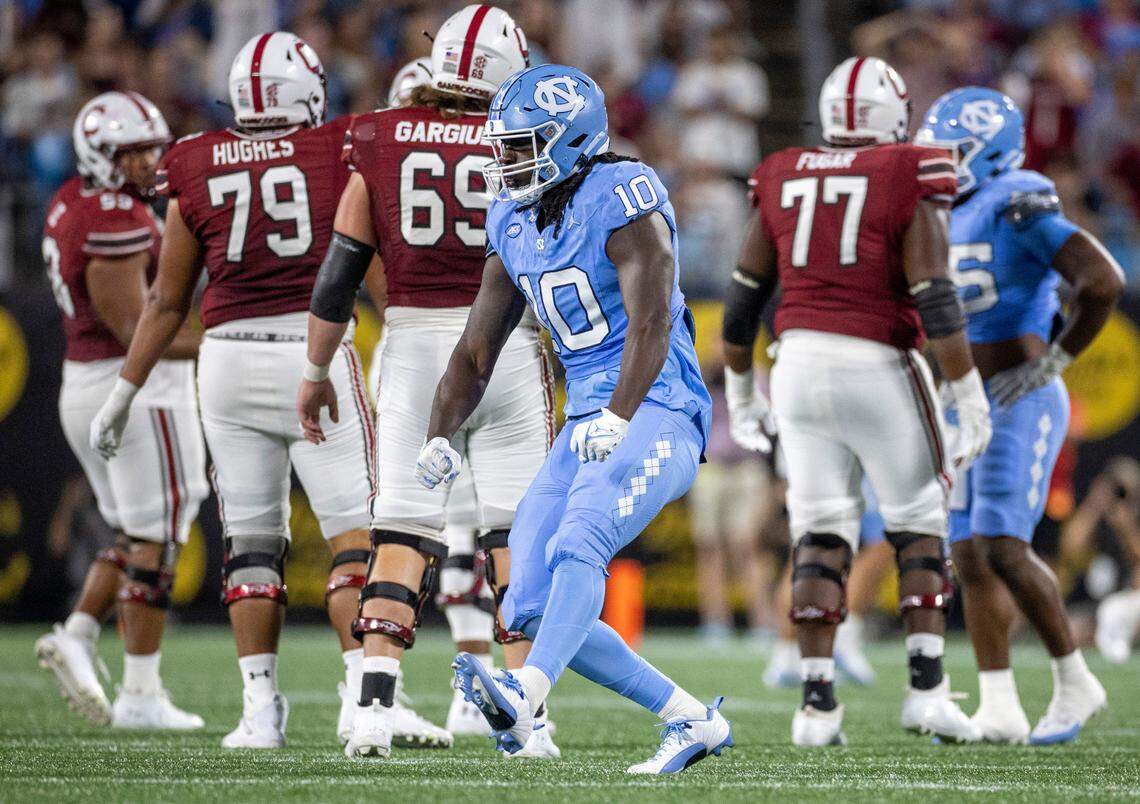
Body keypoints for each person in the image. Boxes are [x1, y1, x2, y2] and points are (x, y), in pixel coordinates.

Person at [87, 32, 441, 751]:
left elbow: (164, 304)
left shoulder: (192, 160)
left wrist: (121, 394)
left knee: (250, 545)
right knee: (357, 542)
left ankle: (258, 713)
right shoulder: (342, 145)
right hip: (312, 356)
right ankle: (362, 696)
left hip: (223, 363)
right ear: (306, 90)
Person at [413, 62, 733, 775]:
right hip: (588, 419)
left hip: (658, 407)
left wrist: (619, 416)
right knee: (523, 602)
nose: (509, 160)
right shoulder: (513, 215)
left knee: (580, 541)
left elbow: (651, 321)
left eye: (525, 145)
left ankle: (524, 695)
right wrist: (439, 432)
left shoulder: (622, 194)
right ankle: (690, 720)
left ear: (574, 138)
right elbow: (475, 349)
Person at [296, 5, 559, 760]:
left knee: (403, 529)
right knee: (517, 537)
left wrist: (316, 372)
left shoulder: (376, 136)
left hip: (412, 349)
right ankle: (527, 719)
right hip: (507, 347)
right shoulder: (531, 142)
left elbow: (340, 271)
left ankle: (374, 705)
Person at [723, 56, 992, 747]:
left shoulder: (782, 170)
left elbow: (745, 293)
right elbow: (934, 291)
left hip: (797, 366)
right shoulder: (911, 167)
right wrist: (966, 391)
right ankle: (927, 694)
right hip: (877, 362)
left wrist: (741, 388)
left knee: (819, 532)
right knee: (918, 524)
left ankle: (816, 707)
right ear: (892, 115)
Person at [919, 87, 1124, 744]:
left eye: (952, 152)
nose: (939, 162)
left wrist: (1057, 360)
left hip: (1018, 393)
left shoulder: (1017, 198)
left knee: (1004, 547)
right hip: (967, 401)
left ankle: (1073, 682)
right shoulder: (943, 211)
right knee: (969, 555)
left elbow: (1101, 280)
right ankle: (999, 704)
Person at [35, 92, 208, 730]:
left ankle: (80, 634)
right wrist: (236, 333)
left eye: (149, 147)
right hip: (129, 387)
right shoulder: (111, 218)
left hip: (91, 382)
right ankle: (139, 692)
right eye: (128, 151)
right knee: (158, 535)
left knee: (141, 533)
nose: (144, 161)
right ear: (97, 155)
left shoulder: (72, 200)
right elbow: (143, 332)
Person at [1063, 457, 1140, 664]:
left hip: (1131, 602)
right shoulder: (1098, 517)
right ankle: (1107, 637)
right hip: (1099, 603)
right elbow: (1071, 547)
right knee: (1069, 633)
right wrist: (1094, 505)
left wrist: (1127, 527)